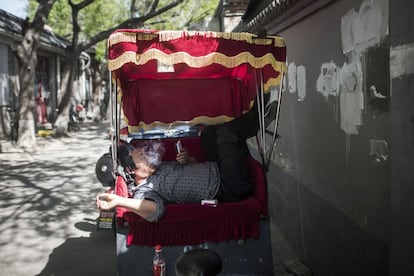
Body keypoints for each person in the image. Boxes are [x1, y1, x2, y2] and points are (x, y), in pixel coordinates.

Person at [96, 108, 260, 222]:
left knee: (209, 133)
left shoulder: (157, 169)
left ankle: (248, 118)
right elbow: (155, 210)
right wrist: (118, 201)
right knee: (226, 132)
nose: (147, 153)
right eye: (142, 156)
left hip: (216, 168)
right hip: (228, 187)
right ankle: (255, 122)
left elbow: (195, 167)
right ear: (131, 170)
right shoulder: (144, 191)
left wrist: (188, 161)